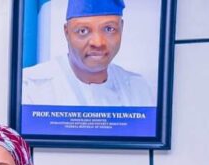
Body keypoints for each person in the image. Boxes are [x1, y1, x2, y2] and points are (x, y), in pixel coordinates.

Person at [22, 0, 154, 106]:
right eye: (83, 31)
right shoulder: (29, 87)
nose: (98, 42)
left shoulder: (139, 89)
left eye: (109, 29)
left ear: (121, 29)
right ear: (67, 32)